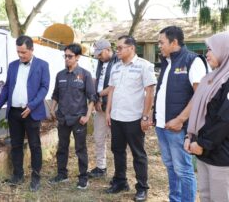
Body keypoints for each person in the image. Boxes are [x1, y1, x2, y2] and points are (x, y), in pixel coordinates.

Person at [185, 32, 229, 202]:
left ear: (227, 50)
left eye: (211, 49)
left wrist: (201, 143)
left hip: (224, 155)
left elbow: (227, 120)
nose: (207, 54)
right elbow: (201, 113)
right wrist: (190, 136)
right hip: (205, 150)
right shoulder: (213, 78)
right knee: (206, 198)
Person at [0, 35, 50, 192]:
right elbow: (6, 88)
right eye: (18, 52)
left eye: (24, 52)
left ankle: (35, 177)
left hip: (31, 113)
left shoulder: (42, 65)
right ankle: (18, 175)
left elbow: (44, 88)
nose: (21, 55)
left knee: (35, 145)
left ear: (32, 50)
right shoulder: (13, 66)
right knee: (16, 145)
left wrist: (32, 105)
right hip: (14, 112)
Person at [154, 26, 207, 202]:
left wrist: (180, 119)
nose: (158, 46)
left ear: (174, 42)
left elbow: (201, 96)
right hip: (162, 126)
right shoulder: (167, 62)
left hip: (178, 128)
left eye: (161, 42)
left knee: (183, 169)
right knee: (170, 167)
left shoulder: (192, 61)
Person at [105, 35, 156, 202]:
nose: (116, 51)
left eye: (120, 48)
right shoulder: (115, 67)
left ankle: (142, 187)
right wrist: (108, 112)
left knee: (138, 154)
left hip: (134, 118)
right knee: (117, 151)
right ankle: (120, 182)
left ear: (131, 48)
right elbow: (111, 90)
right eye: (116, 48)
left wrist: (145, 116)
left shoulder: (144, 66)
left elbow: (150, 92)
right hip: (117, 117)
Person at [49, 43, 96, 190]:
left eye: (70, 56)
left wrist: (87, 116)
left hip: (78, 118)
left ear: (77, 57)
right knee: (62, 147)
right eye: (65, 56)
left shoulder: (85, 75)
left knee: (80, 149)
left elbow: (92, 98)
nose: (67, 59)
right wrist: (52, 109)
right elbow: (56, 95)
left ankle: (83, 178)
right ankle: (62, 174)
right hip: (63, 118)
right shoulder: (60, 75)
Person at [88, 39, 118, 178]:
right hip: (100, 106)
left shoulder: (118, 62)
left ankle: (119, 172)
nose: (98, 57)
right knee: (99, 138)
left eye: (100, 54)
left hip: (114, 108)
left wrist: (99, 95)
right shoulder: (100, 63)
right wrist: (96, 100)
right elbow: (96, 82)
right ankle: (101, 167)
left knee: (116, 142)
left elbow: (114, 86)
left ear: (107, 49)